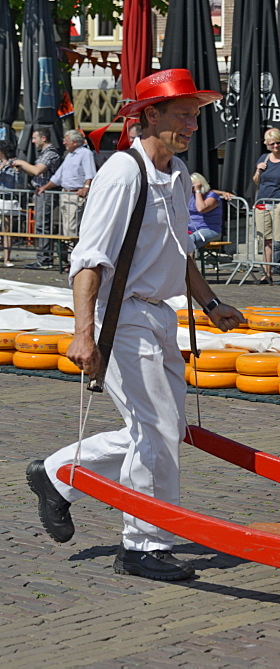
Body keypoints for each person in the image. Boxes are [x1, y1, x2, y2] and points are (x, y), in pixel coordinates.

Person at [26, 68, 245, 581]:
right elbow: (88, 259)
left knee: (165, 429)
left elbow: (180, 249)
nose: (193, 124)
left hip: (157, 314)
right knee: (157, 429)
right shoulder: (124, 173)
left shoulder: (174, 171)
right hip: (121, 316)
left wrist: (211, 304)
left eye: (196, 114)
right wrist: (83, 334)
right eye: (184, 115)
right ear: (149, 115)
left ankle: (58, 474)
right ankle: (143, 544)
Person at [36, 129, 97, 263]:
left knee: (72, 228)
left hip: (75, 195)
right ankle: (69, 258)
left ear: (75, 142)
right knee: (66, 228)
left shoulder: (85, 154)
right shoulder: (69, 155)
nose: (64, 143)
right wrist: (45, 187)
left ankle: (73, 259)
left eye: (67, 141)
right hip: (65, 194)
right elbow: (59, 176)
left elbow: (90, 174)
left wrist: (86, 188)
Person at [12, 127, 62, 269]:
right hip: (39, 191)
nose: (33, 141)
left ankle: (45, 259)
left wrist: (21, 162)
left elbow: (37, 170)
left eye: (34, 138)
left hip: (46, 193)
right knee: (40, 225)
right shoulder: (43, 153)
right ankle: (43, 257)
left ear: (43, 138)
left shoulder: (51, 153)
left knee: (42, 225)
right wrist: (22, 167)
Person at [252, 127, 280, 285]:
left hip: (279, 203)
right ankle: (267, 273)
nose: (275, 146)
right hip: (263, 203)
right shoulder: (264, 158)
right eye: (272, 144)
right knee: (266, 239)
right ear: (266, 144)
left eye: (278, 143)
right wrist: (258, 170)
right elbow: (256, 181)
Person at [0, 139, 25, 267]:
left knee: (7, 230)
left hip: (8, 197)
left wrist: (16, 171)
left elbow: (20, 184)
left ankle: (7, 258)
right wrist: (2, 166)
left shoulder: (13, 162)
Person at [188, 172, 224, 249]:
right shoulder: (190, 196)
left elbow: (201, 208)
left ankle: (189, 261)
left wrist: (198, 191)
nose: (191, 190)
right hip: (191, 229)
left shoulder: (212, 197)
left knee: (188, 241)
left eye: (192, 187)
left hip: (209, 230)